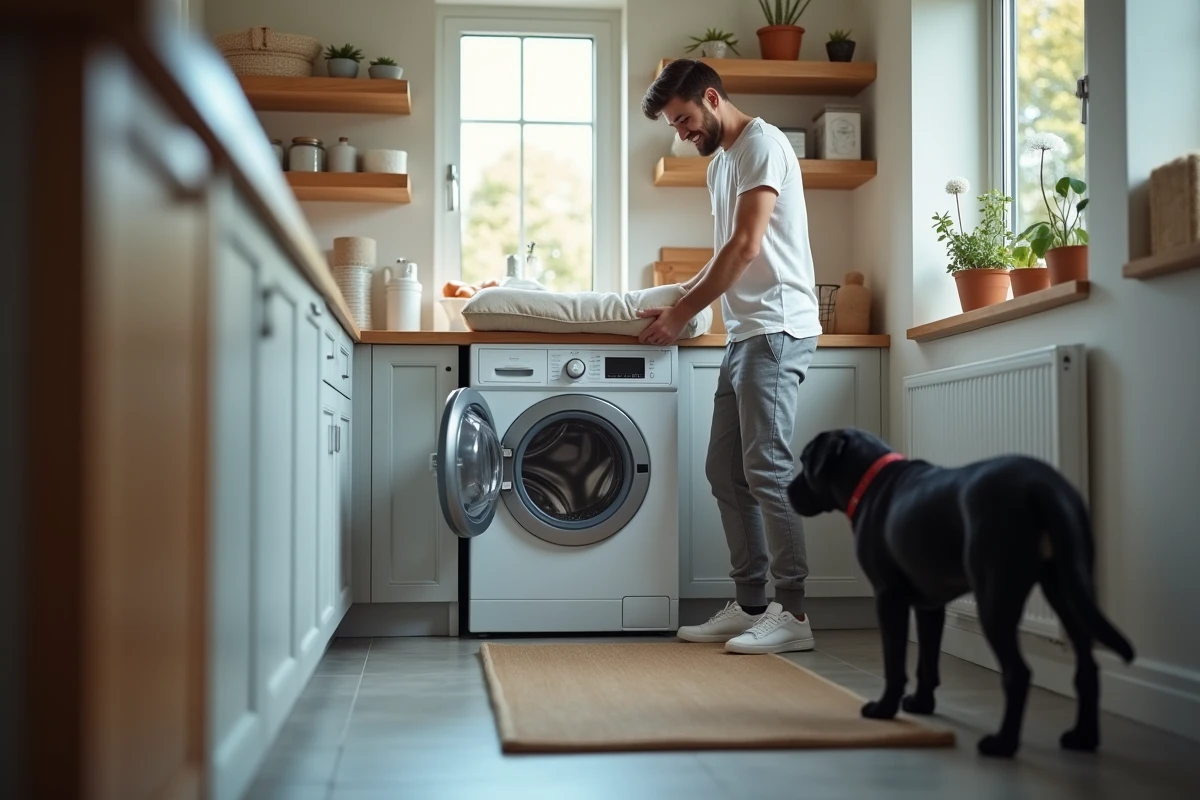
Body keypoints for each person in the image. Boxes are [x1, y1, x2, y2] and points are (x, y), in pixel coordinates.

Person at [638, 59, 823, 655]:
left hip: (776, 328)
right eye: (675, 125)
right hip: (744, 334)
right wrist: (675, 303)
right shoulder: (722, 163)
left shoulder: (761, 147)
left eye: (686, 120)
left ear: (712, 99)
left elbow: (746, 248)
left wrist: (680, 311)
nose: (683, 133)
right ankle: (750, 604)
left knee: (766, 469)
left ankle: (792, 613)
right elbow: (725, 251)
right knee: (726, 472)